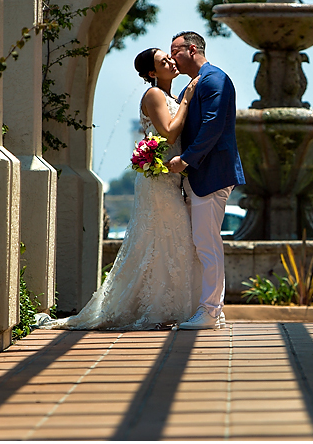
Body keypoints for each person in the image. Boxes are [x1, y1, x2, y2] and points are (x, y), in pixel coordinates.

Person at [38, 48, 202, 330]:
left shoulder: (172, 97)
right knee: (160, 238)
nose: (172, 63)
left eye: (170, 59)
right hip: (156, 183)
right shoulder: (154, 96)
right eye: (164, 62)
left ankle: (171, 307)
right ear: (152, 73)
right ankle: (155, 310)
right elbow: (169, 132)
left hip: (171, 179)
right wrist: (187, 100)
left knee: (172, 239)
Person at [166, 31, 245, 330]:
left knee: (207, 243)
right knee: (202, 243)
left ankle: (210, 311)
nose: (172, 57)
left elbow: (212, 126)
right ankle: (213, 309)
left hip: (211, 174)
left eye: (175, 50)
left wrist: (185, 160)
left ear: (192, 48)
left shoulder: (214, 79)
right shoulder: (196, 82)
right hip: (202, 174)